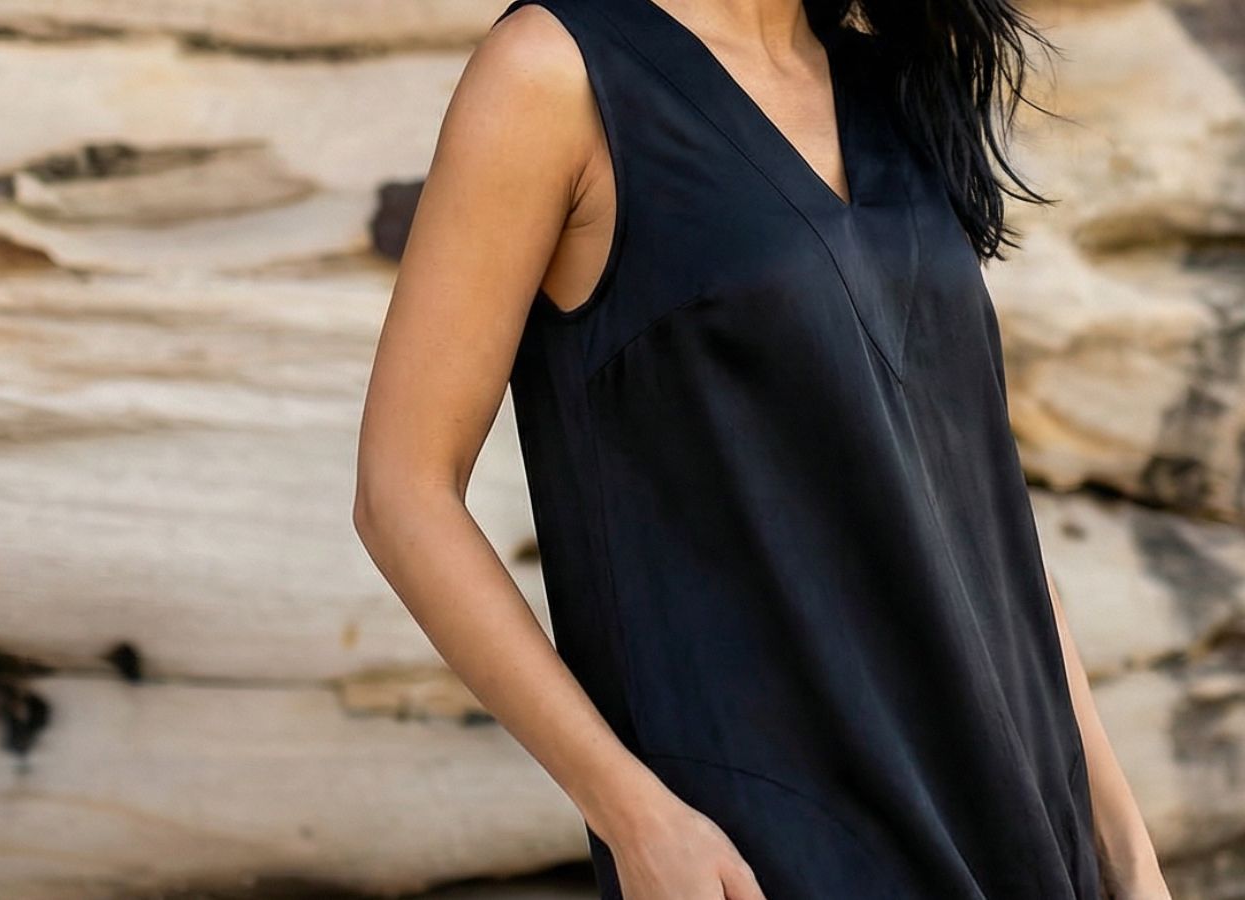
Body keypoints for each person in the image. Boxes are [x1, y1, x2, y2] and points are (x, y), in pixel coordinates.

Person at [350, 0, 1174, 896]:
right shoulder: (556, 75)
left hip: (1029, 829)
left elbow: (977, 512)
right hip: (779, 846)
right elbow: (403, 492)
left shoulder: (883, 77)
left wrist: (1123, 841)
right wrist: (635, 816)